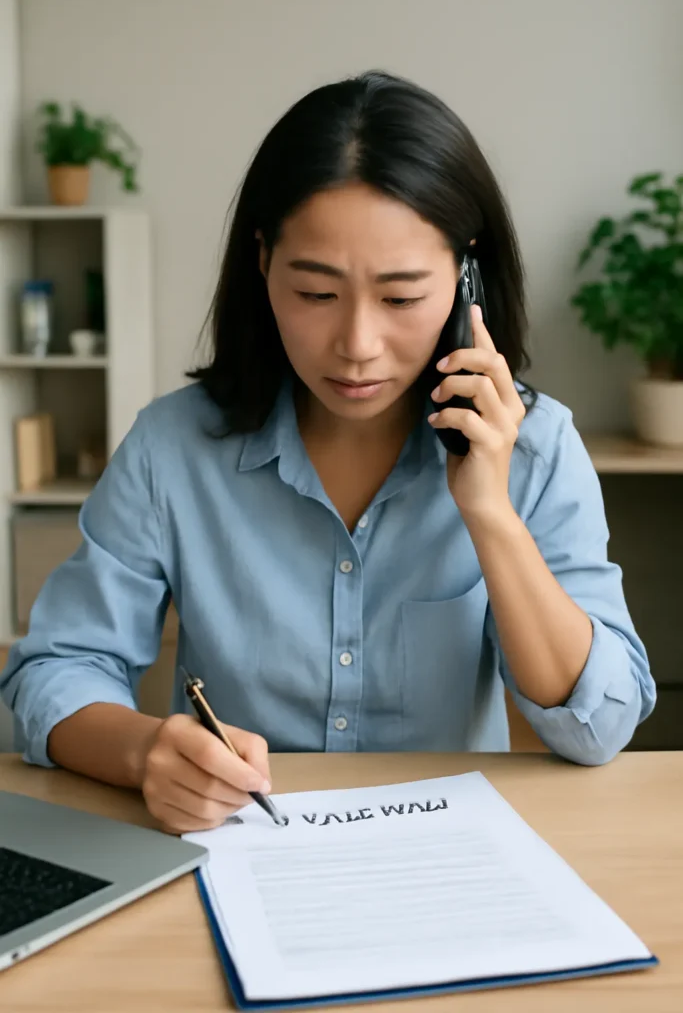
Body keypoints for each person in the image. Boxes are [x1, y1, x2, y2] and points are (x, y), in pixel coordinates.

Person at [0, 71, 655, 833]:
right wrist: (147, 751)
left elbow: (597, 727)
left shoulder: (537, 448)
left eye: (402, 297)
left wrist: (489, 514)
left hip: (448, 860)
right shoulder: (172, 447)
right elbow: (53, 670)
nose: (356, 346)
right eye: (315, 294)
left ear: (465, 276)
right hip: (241, 853)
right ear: (262, 262)